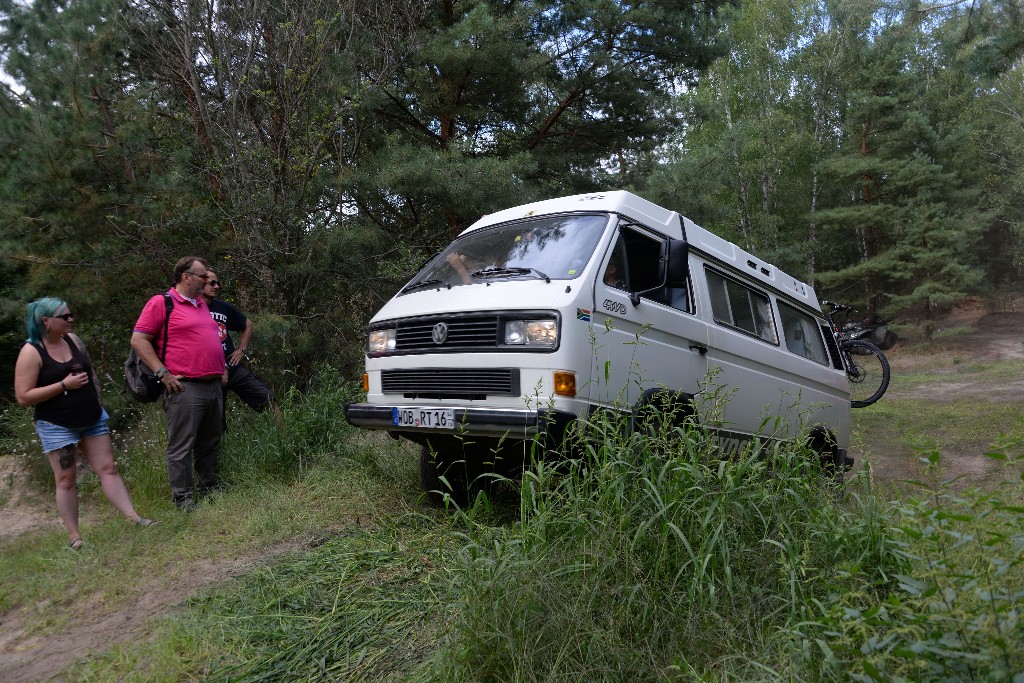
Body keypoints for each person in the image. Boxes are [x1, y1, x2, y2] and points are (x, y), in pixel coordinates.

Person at [14, 298, 157, 549]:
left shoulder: (74, 340)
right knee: (67, 479)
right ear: (46, 321)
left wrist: (98, 401)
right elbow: (23, 397)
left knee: (108, 468)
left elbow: (91, 374)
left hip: (91, 417)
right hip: (57, 424)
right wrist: (63, 386)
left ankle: (134, 518)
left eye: (71, 314)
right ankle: (75, 537)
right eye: (65, 316)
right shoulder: (31, 352)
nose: (71, 319)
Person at [130, 257, 226, 511]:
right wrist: (163, 373)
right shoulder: (163, 303)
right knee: (181, 445)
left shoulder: (201, 305)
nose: (207, 281)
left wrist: (221, 368)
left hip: (212, 386)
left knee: (209, 442)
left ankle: (210, 490)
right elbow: (139, 340)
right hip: (185, 388)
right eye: (203, 276)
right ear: (187, 277)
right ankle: (183, 499)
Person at [199, 270, 281, 423]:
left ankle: (286, 440)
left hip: (232, 365)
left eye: (218, 283)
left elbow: (247, 324)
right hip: (208, 372)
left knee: (267, 398)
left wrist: (241, 349)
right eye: (212, 283)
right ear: (200, 284)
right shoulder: (191, 310)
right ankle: (219, 445)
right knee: (215, 420)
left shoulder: (223, 307)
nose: (217, 287)